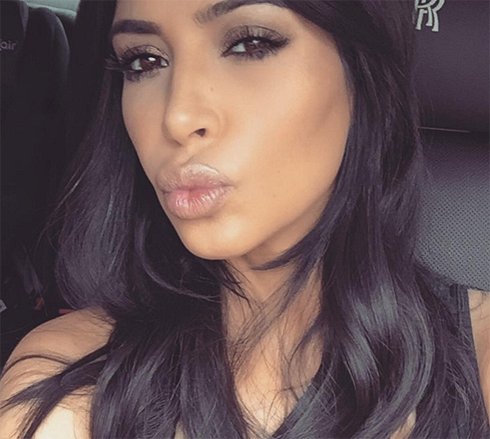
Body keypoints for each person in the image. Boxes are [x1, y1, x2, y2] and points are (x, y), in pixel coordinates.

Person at [0, 0, 489, 438]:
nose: (176, 117)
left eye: (250, 44)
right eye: (144, 61)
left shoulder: (480, 362)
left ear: (364, 77)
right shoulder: (67, 375)